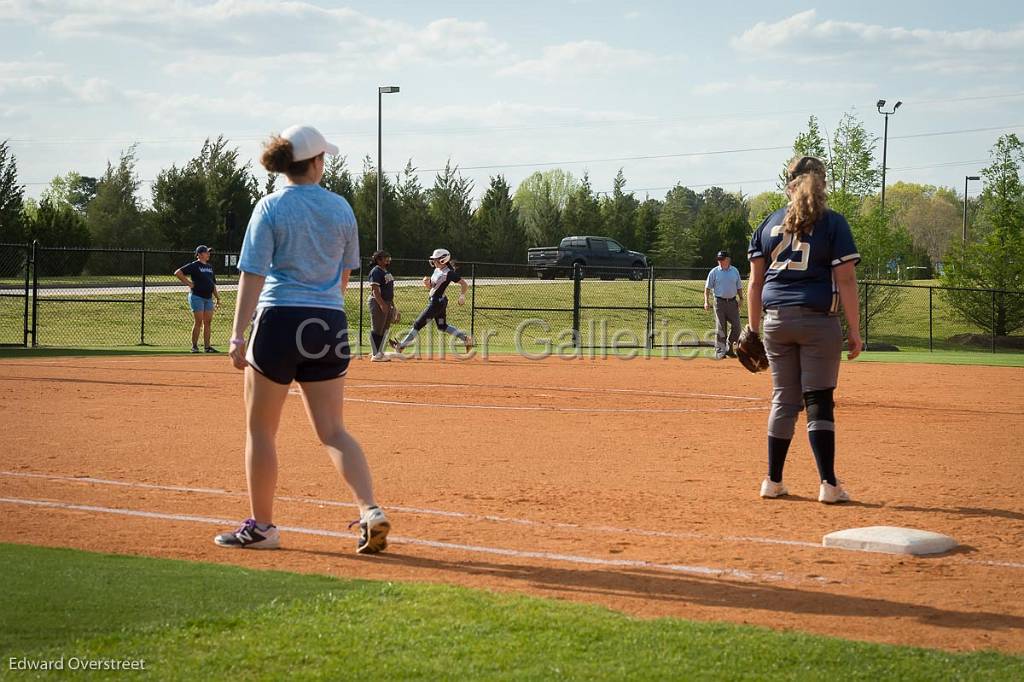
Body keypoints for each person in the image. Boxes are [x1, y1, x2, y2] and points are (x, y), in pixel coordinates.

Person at [216, 124, 390, 554]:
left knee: (261, 430)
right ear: (313, 163)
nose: (325, 164)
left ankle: (262, 528)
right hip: (328, 324)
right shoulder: (341, 208)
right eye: (323, 158)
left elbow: (252, 273)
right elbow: (346, 276)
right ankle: (369, 510)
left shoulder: (270, 206)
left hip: (278, 321)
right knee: (333, 431)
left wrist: (238, 334)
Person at [747, 155, 863, 504]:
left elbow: (754, 283)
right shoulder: (833, 223)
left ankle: (773, 480)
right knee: (818, 400)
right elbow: (846, 280)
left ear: (789, 182)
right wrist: (855, 331)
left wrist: (752, 330)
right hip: (817, 321)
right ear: (822, 182)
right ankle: (828, 485)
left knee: (784, 399)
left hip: (775, 321)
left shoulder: (768, 223)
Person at [390, 248, 473, 353]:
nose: (433, 261)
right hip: (439, 301)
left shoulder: (449, 273)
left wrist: (462, 296)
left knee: (417, 324)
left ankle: (401, 346)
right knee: (442, 325)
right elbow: (434, 287)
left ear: (443, 259)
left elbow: (464, 284)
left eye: (436, 259)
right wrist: (427, 284)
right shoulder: (437, 270)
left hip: (436, 303)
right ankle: (466, 339)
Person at [174, 245, 222, 353]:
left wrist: (217, 298)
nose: (208, 254)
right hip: (197, 297)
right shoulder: (194, 265)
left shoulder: (209, 267)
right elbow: (178, 272)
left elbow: (212, 284)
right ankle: (194, 347)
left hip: (208, 298)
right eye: (206, 252)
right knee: (198, 322)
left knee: (208, 322)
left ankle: (207, 347)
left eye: (208, 252)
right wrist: (189, 284)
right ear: (199, 254)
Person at [704, 250, 743, 359]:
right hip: (719, 302)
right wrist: (706, 301)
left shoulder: (734, 271)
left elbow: (739, 286)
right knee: (721, 327)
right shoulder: (714, 272)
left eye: (722, 259)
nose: (720, 261)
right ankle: (720, 352)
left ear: (728, 259)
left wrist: (741, 298)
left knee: (737, 327)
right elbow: (707, 288)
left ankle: (729, 349)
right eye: (719, 260)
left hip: (732, 302)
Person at [367, 250, 396, 362]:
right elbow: (375, 291)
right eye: (385, 258)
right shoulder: (376, 271)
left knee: (385, 328)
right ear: (378, 260)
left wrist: (393, 306)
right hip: (378, 302)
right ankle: (376, 354)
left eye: (388, 257)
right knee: (377, 328)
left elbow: (389, 290)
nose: (388, 259)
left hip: (387, 302)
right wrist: (382, 304)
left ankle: (379, 352)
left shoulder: (385, 271)